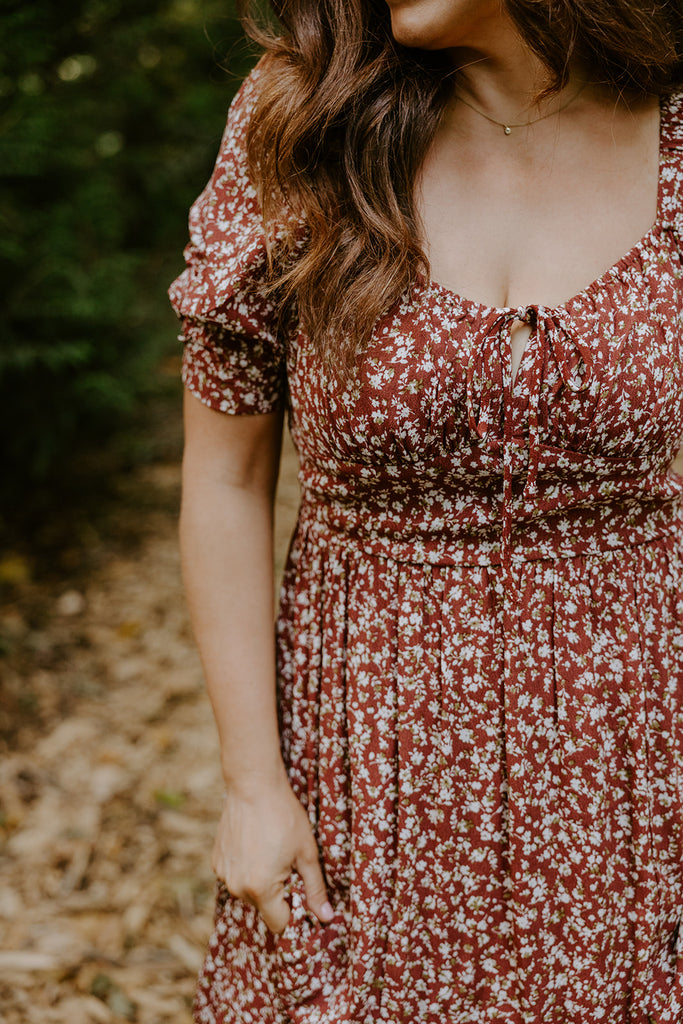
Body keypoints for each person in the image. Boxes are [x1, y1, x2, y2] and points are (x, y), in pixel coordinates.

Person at [169, 0, 683, 1020]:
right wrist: (252, 788)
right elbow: (224, 480)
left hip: (632, 762)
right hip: (369, 765)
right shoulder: (301, 124)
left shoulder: (672, 135)